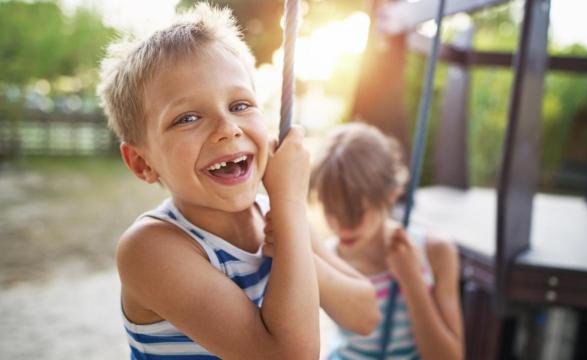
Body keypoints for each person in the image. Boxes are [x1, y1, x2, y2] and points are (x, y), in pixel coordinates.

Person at [97, 4, 379, 359]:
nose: (228, 129)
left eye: (241, 105)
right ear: (142, 163)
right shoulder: (150, 249)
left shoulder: (275, 217)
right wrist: (290, 204)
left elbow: (366, 315)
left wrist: (293, 246)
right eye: (187, 117)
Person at [310, 123, 464, 359]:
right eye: (332, 210)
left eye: (356, 210)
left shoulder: (433, 251)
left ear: (390, 194)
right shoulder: (326, 260)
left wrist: (412, 281)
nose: (343, 225)